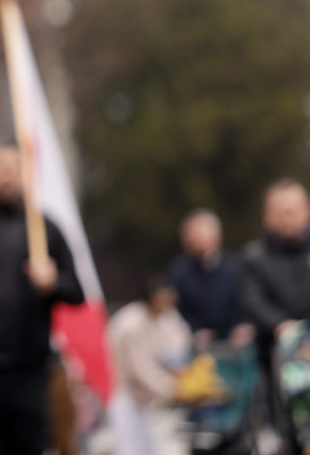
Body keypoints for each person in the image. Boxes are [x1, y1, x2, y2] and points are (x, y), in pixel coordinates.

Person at [0, 143, 83, 455]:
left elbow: (77, 292)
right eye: (0, 167)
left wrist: (53, 282)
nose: (7, 176)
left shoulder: (44, 229)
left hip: (30, 374)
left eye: (15, 168)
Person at [240, 178, 310, 449]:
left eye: (293, 209)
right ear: (267, 216)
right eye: (280, 210)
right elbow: (251, 300)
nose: (287, 216)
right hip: (277, 365)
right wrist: (285, 328)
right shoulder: (254, 258)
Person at [107, 277, 191, 455]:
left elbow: (179, 340)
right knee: (129, 447)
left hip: (146, 395)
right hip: (121, 391)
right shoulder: (130, 323)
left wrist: (180, 370)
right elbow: (140, 367)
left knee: (148, 447)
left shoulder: (167, 314)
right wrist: (172, 388)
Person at [166, 208, 250, 348]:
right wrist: (194, 329)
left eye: (203, 233)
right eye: (193, 234)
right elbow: (176, 310)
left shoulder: (236, 267)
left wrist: (242, 324)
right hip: (194, 341)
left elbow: (246, 300)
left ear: (218, 235)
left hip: (234, 339)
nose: (198, 240)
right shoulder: (177, 271)